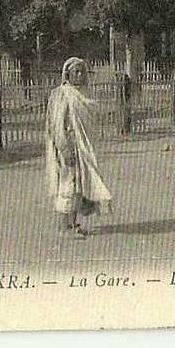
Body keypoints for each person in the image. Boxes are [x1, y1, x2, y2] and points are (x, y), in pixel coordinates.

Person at [44, 57, 113, 238]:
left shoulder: (84, 94)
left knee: (79, 187)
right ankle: (63, 228)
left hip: (83, 148)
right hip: (69, 147)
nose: (80, 75)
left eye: (82, 71)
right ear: (68, 74)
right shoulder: (62, 95)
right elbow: (57, 126)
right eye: (76, 72)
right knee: (68, 186)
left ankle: (73, 224)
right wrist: (65, 150)